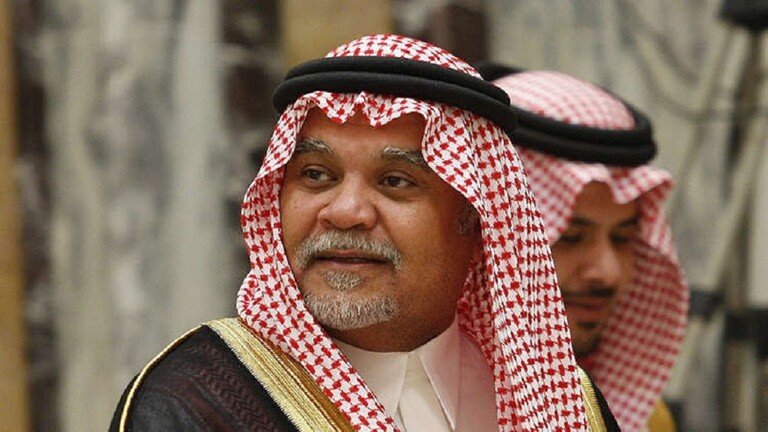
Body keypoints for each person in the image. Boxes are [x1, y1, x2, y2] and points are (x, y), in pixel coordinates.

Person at [110, 35, 618, 432]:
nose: (346, 212)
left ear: (476, 221)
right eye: (316, 175)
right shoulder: (199, 401)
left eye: (395, 181)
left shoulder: (563, 405)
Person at [479, 64, 689, 432]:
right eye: (571, 236)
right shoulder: (434, 408)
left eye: (622, 238)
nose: (607, 272)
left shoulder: (649, 421)